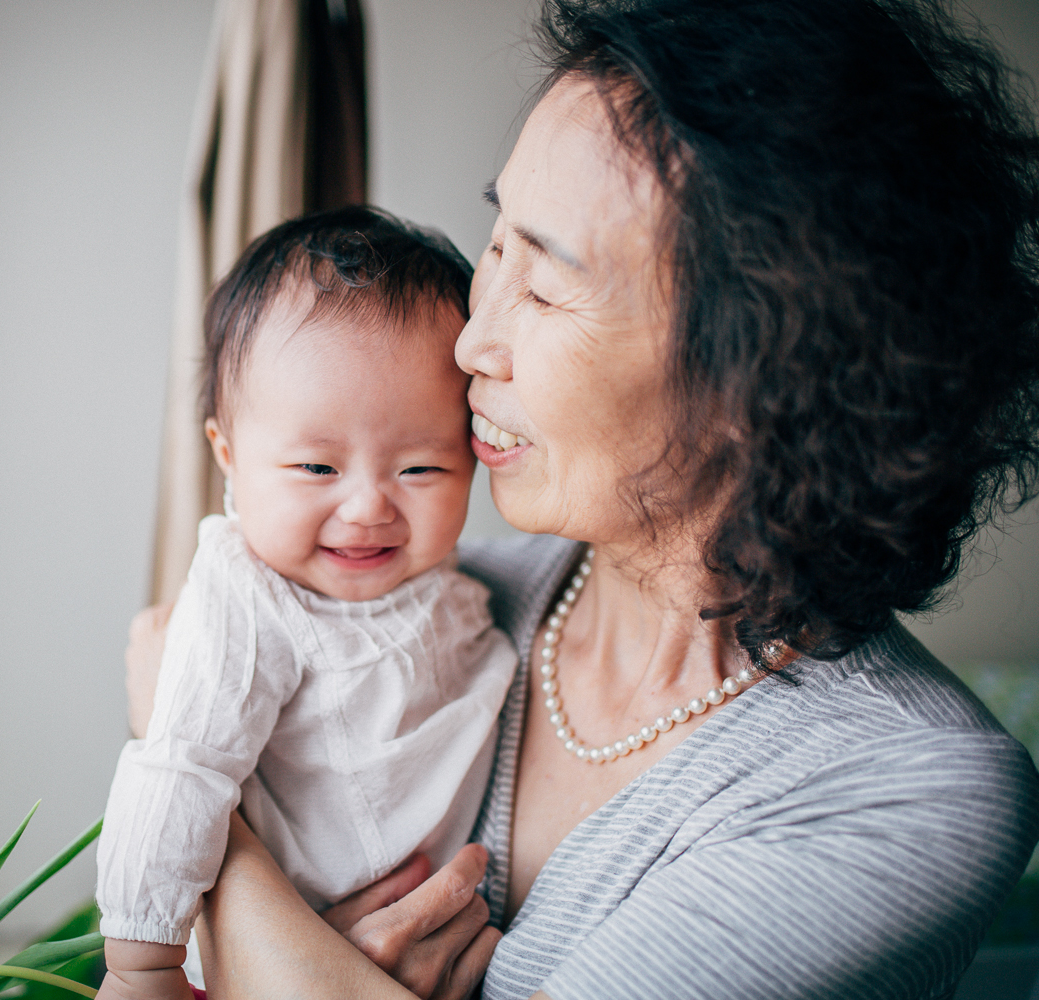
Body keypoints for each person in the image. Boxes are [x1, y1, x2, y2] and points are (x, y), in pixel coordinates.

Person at [122, 0, 1039, 997]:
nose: (471, 344)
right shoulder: (428, 601)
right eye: (496, 246)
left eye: (546, 286)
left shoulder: (907, 790)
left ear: (762, 379)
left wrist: (239, 881)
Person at [95, 208, 519, 1000]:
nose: (367, 508)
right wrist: (139, 966)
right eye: (317, 469)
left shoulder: (452, 579)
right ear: (230, 456)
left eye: (421, 469)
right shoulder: (248, 600)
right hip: (235, 962)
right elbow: (179, 769)